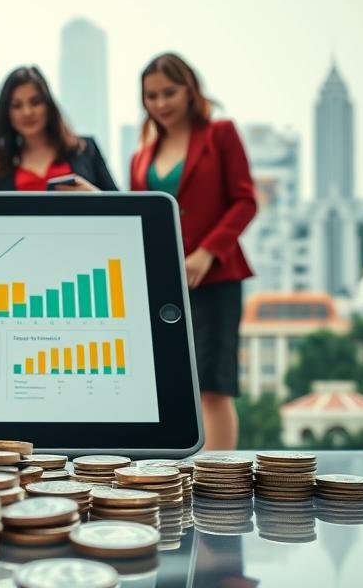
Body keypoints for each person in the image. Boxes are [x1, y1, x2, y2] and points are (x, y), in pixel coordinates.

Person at [129, 52, 257, 450]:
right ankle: (178, 475)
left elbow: (245, 200)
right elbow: (142, 213)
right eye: (151, 96)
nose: (161, 103)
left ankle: (220, 485)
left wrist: (207, 252)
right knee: (171, 384)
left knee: (214, 385)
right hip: (167, 283)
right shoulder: (142, 155)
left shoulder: (220, 134)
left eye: (170, 92)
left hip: (215, 278)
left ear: (190, 90)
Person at [0, 66, 118, 192]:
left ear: (48, 106)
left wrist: (94, 196)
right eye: (17, 106)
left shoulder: (85, 149)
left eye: (35, 102)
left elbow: (123, 211)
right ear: (6, 113)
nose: (27, 112)